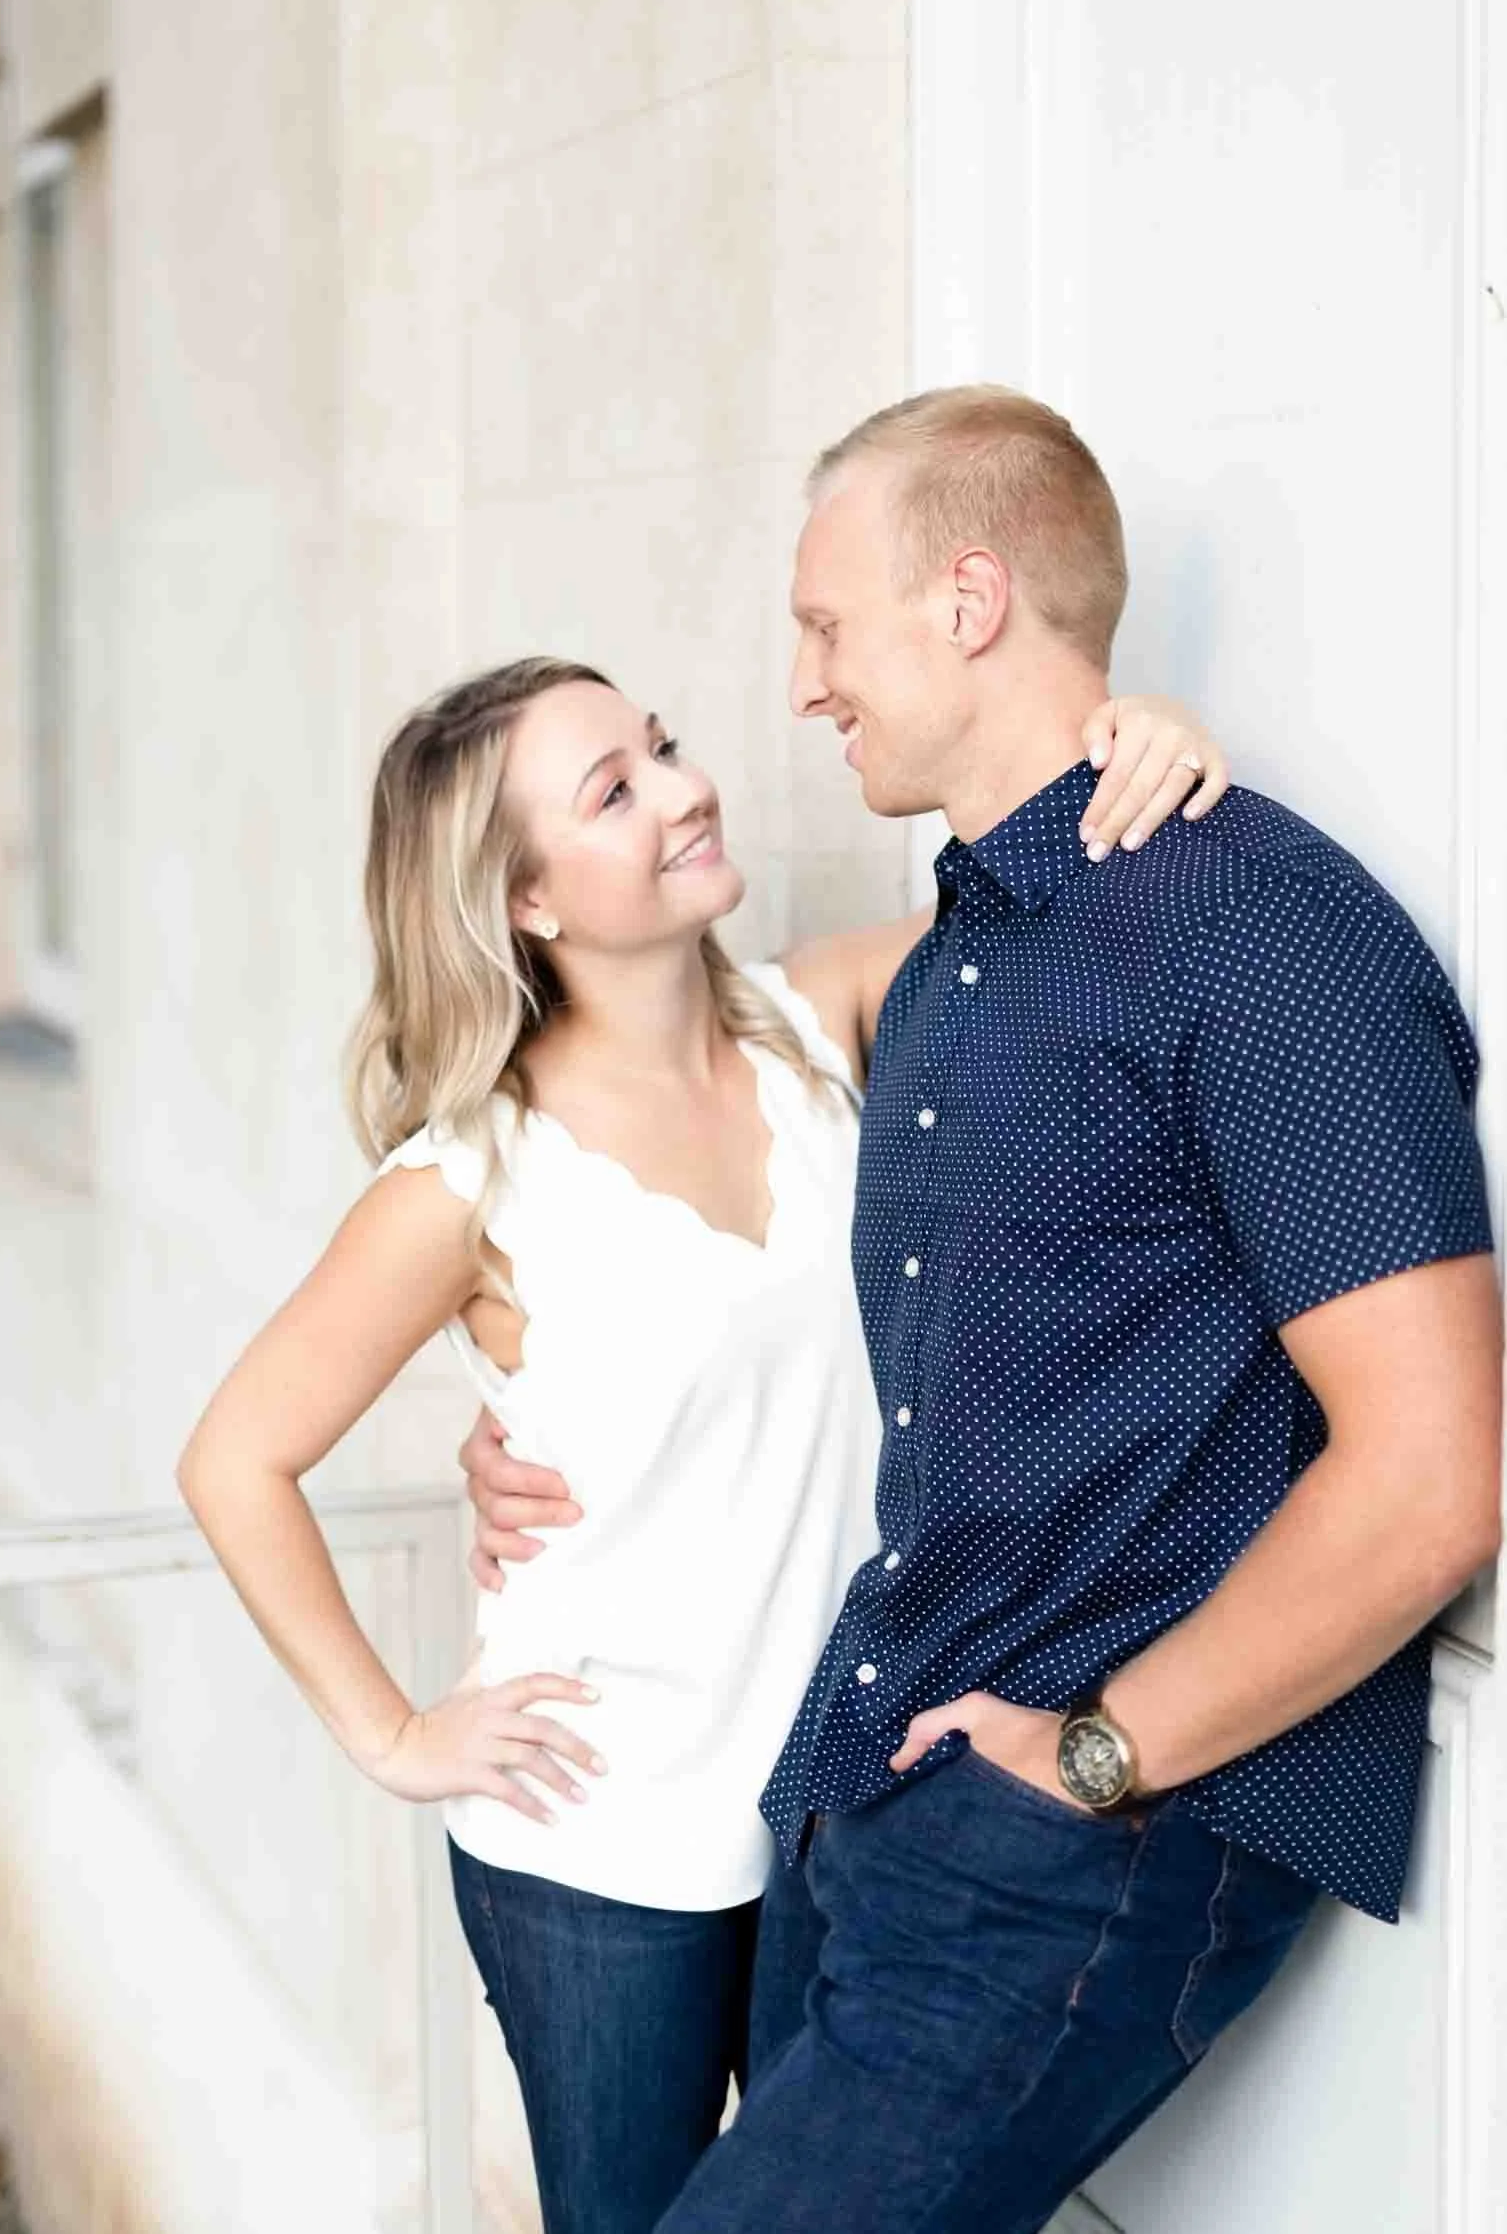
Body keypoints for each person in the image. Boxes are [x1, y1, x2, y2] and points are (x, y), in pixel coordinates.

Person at [463, 387, 1503, 2234]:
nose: (802, 686)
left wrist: (1096, 1754)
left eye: (823, 624)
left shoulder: (1260, 927)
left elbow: (1435, 1473)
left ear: (963, 600)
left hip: (1090, 1829)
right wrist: (539, 1421)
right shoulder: (954, 958)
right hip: (873, 1795)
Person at [175, 647, 1227, 2234]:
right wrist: (393, 1735)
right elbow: (233, 1458)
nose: (684, 787)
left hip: (845, 1797)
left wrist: (1128, 745)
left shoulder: (826, 1020)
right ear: (523, 901)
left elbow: (1058, 900)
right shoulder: (465, 1180)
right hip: (601, 1843)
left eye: (661, 744)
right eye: (614, 789)